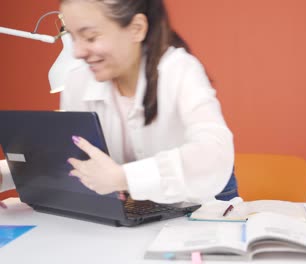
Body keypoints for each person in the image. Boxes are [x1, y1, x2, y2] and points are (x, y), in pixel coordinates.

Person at [0, 0, 238, 209]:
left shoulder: (180, 69)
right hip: (136, 211)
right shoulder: (77, 80)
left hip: (202, 200)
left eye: (90, 36)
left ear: (136, 29)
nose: (78, 52)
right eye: (73, 37)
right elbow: (73, 160)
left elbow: (215, 151)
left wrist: (125, 177)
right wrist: (7, 174)